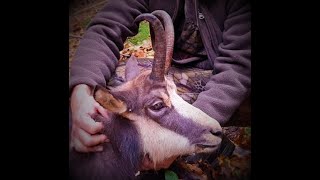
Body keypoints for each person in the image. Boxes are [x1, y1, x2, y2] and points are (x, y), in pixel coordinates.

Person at [69, 0, 251, 170]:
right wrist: (82, 89)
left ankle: (214, 153)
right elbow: (106, 28)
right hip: (171, 72)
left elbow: (238, 65)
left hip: (227, 80)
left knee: (154, 104)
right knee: (119, 89)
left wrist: (192, 131)